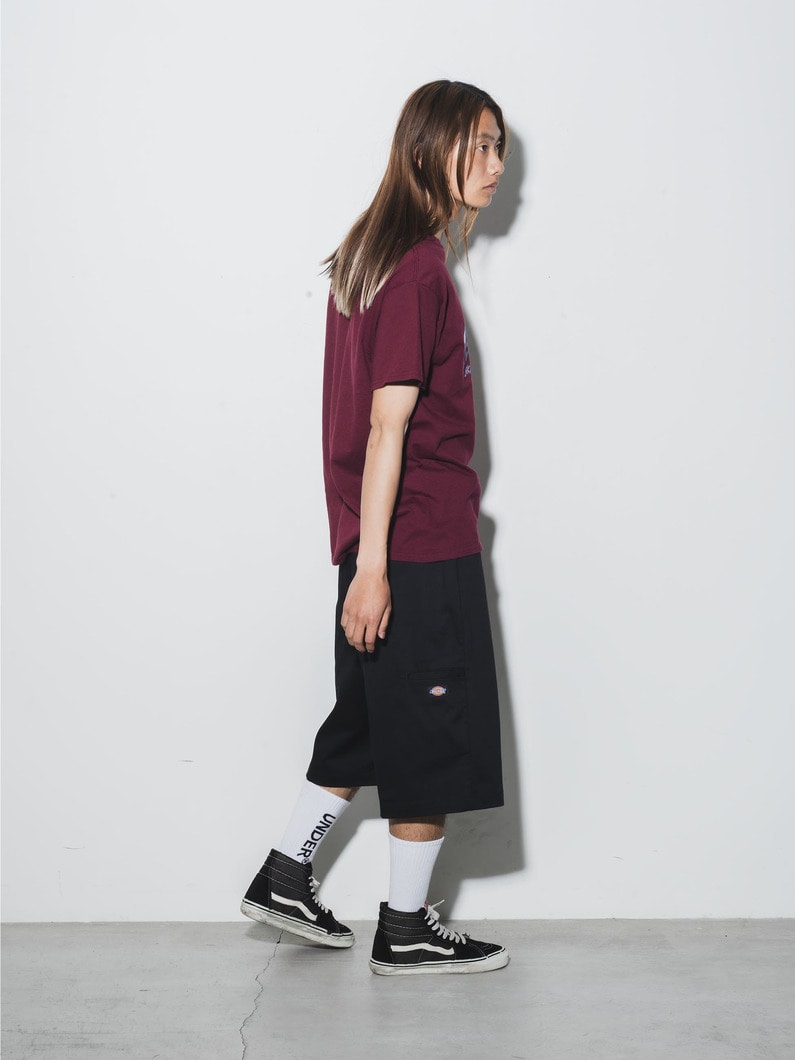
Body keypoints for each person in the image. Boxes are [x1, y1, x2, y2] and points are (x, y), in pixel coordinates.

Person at [241, 79, 510, 976]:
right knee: (431, 733)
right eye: (479, 145)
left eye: (499, 148)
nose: (494, 166)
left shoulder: (368, 253)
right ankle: (404, 928)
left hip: (378, 538)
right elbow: (387, 425)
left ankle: (286, 875)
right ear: (431, 148)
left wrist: (363, 555)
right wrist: (377, 568)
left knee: (366, 718)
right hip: (415, 544)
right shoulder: (418, 267)